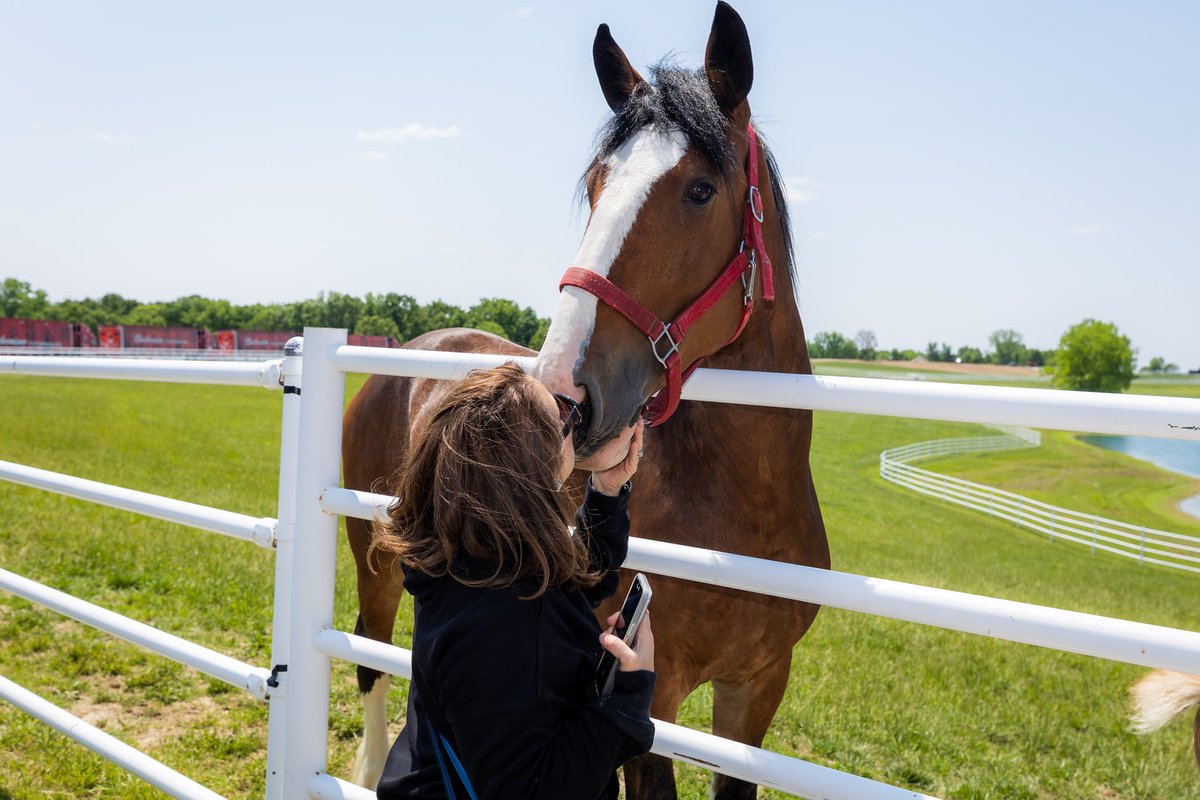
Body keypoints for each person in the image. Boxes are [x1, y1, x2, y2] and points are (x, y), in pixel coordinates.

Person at [372, 361, 654, 800]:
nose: (572, 422)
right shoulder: (509, 625)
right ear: (527, 470)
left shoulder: (469, 562)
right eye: (563, 419)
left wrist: (606, 491)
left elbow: (562, 589)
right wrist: (626, 698)